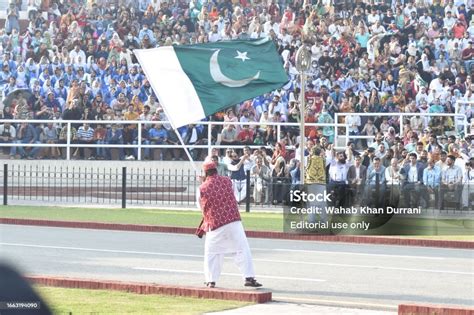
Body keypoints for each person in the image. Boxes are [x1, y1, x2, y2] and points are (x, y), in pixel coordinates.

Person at [198, 161, 262, 288]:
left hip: (215, 224)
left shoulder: (201, 188)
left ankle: (211, 280)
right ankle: (249, 277)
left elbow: (201, 208)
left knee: (212, 253)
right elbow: (231, 195)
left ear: (205, 173)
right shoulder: (228, 181)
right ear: (216, 170)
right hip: (233, 221)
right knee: (242, 249)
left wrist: (203, 184)